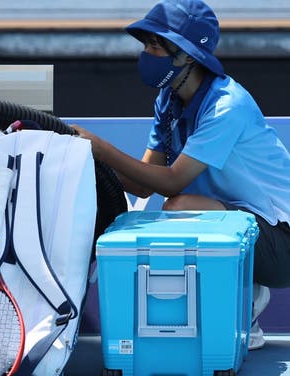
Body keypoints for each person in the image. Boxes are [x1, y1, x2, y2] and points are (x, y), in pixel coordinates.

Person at [72, 0, 290, 351]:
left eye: (156, 45)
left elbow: (171, 181)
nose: (147, 53)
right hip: (237, 223)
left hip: (282, 243)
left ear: (188, 55)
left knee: (179, 207)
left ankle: (244, 307)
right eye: (146, 44)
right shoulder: (169, 100)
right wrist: (85, 156)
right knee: (172, 211)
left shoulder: (227, 106)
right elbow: (144, 180)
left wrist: (100, 147)